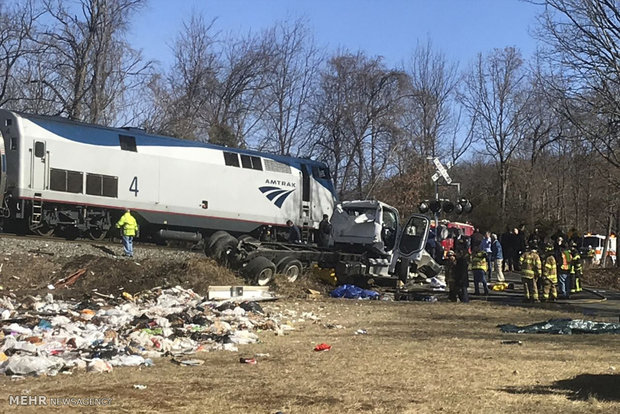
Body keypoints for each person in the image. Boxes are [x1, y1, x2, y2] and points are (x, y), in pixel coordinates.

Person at [449, 239, 470, 303]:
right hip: (459, 278)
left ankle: (465, 301)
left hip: (461, 278)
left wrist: (461, 279)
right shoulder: (460, 260)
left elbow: (462, 271)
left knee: (463, 290)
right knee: (458, 290)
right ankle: (456, 299)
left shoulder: (462, 260)